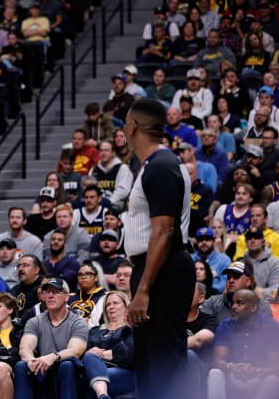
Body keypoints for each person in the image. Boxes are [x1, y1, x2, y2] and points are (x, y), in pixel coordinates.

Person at [123, 98, 195, 399]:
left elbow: (164, 231)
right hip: (156, 270)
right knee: (150, 364)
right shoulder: (154, 165)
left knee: (165, 363)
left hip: (163, 271)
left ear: (133, 126)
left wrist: (143, 290)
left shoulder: (162, 166)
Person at [13, 278, 88, 399]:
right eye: (47, 292)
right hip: (42, 368)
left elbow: (75, 350)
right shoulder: (34, 321)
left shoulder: (78, 322)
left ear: (67, 297)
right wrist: (31, 361)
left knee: (67, 365)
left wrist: (52, 357)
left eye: (56, 292)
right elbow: (25, 347)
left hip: (65, 369)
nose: (50, 296)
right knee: (22, 365)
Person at [207, 289, 279, 399]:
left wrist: (257, 371)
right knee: (215, 373)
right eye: (233, 302)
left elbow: (275, 367)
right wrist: (231, 366)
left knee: (273, 380)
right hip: (232, 375)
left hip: (260, 377)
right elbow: (217, 361)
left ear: (253, 308)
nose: (233, 307)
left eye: (239, 303)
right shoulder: (225, 326)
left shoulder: (271, 327)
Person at [80, 291, 135, 399]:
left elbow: (129, 353)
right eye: (108, 305)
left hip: (123, 371)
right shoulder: (94, 331)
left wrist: (100, 355)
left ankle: (102, 393)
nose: (111, 307)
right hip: (93, 368)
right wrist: (89, 354)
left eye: (115, 303)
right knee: (88, 358)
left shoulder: (131, 329)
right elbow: (82, 355)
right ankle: (102, 395)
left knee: (92, 367)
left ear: (126, 305)